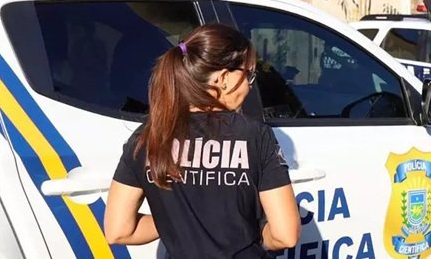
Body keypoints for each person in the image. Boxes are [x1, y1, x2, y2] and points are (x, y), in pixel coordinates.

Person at [104, 24, 300, 258]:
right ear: (224, 78)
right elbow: (285, 235)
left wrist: (176, 221)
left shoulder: (148, 136)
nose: (249, 86)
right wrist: (254, 232)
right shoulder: (255, 135)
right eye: (248, 75)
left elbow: (119, 231)